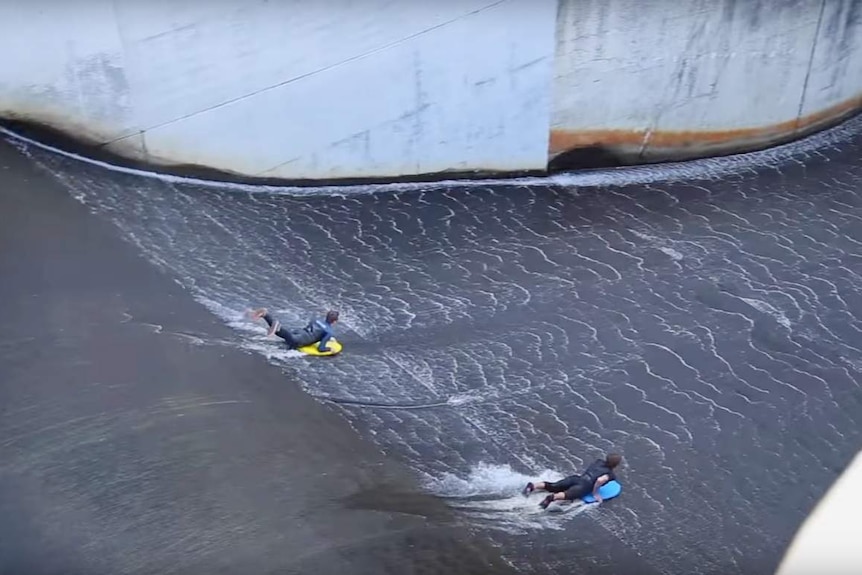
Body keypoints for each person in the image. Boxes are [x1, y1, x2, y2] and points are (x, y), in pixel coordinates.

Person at [523, 453, 622, 509]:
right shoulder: (610, 475)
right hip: (583, 487)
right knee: (567, 495)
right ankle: (552, 498)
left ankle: (533, 486)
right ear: (616, 465)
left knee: (554, 485)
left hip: (577, 478)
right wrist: (595, 493)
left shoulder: (599, 461)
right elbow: (600, 480)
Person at [249, 308, 339, 352]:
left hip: (300, 332)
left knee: (283, 334)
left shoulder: (316, 320)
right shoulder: (329, 332)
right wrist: (330, 349)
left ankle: (266, 315)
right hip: (302, 340)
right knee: (289, 338)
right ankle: (276, 325)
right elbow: (321, 348)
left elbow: (314, 330)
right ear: (335, 321)